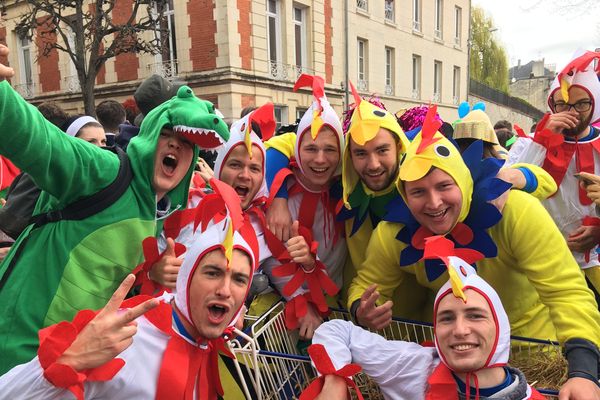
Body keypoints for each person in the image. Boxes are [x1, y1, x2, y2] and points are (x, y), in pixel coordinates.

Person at [0, 43, 231, 374]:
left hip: (70, 361)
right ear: (148, 136)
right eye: (167, 133)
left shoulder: (157, 212)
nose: (177, 145)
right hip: (19, 347)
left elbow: (115, 278)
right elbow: (39, 140)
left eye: (188, 144)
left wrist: (149, 273)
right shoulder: (104, 170)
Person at [348, 108, 600, 398]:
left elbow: (566, 290)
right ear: (404, 196)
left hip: (537, 357)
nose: (434, 203)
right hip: (458, 364)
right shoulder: (393, 234)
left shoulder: (515, 212)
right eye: (418, 192)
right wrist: (361, 307)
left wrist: (583, 372)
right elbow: (367, 283)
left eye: (444, 186)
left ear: (464, 182)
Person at [0, 206, 258, 399]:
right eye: (212, 273)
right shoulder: (124, 335)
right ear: (186, 280)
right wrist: (67, 362)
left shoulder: (208, 340)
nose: (225, 290)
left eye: (238, 279)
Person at [303, 236, 544, 400]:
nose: (460, 330)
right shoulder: (415, 366)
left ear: (500, 327)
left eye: (475, 316)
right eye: (447, 318)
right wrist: (335, 379)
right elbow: (336, 331)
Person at [507, 50, 600, 297]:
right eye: (562, 104)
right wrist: (543, 140)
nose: (571, 112)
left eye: (582, 104)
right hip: (535, 267)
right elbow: (507, 191)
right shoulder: (527, 144)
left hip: (590, 267)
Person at [261, 74, 346, 339]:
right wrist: (300, 300)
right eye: (310, 149)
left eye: (330, 150)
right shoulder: (280, 188)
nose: (320, 159)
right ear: (297, 149)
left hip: (340, 305)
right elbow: (274, 257)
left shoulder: (345, 187)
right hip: (296, 315)